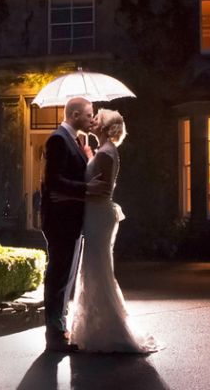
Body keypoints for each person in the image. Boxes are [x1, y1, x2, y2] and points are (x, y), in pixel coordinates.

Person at [65, 108, 161, 353]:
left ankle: (109, 331)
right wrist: (88, 155)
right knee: (94, 268)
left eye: (96, 119)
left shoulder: (107, 153)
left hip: (99, 215)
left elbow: (104, 189)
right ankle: (95, 328)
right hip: (96, 215)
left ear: (105, 128)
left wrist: (74, 189)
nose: (92, 120)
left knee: (97, 270)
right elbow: (97, 177)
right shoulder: (102, 152)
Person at [40, 96, 106, 352]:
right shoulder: (58, 139)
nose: (92, 119)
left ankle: (60, 327)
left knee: (66, 276)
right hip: (60, 220)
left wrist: (87, 156)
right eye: (89, 115)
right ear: (76, 114)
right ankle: (54, 336)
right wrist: (87, 189)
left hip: (72, 219)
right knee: (58, 276)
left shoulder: (76, 141)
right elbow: (53, 182)